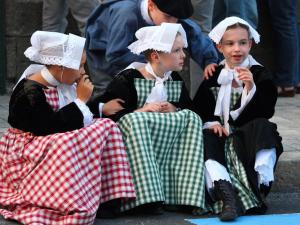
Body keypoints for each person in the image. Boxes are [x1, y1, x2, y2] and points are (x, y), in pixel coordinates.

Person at [0, 31, 135, 225]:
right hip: (27, 151)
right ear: (59, 65)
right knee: (66, 142)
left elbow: (77, 116)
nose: (82, 72)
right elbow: (46, 128)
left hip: (52, 142)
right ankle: (65, 203)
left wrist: (97, 107)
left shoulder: (64, 84)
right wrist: (80, 100)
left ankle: (107, 198)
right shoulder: (29, 90)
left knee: (107, 126)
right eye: (79, 66)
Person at [92, 23, 206, 214]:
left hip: (167, 140)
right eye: (176, 50)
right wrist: (141, 110)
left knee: (192, 117)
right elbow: (112, 111)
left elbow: (189, 107)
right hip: (137, 138)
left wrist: (175, 107)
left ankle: (183, 195)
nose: (183, 55)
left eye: (182, 50)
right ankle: (145, 198)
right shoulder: (128, 78)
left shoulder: (174, 79)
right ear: (155, 56)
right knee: (135, 121)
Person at [193, 17, 283, 221]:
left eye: (242, 43)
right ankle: (226, 196)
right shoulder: (214, 73)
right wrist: (212, 122)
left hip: (245, 138)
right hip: (221, 137)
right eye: (230, 44)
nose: (237, 49)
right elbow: (199, 108)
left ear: (250, 44)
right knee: (205, 138)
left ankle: (260, 184)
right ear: (219, 47)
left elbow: (265, 111)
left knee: (266, 127)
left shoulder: (259, 73)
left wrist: (251, 88)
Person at [85, 0, 218, 95]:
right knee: (107, 92)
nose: (172, 23)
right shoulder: (126, 14)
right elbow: (115, 54)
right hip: (103, 52)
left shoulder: (169, 14)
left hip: (143, 54)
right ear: (151, 5)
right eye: (168, 17)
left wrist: (209, 60)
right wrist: (152, 61)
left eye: (176, 18)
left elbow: (194, 35)